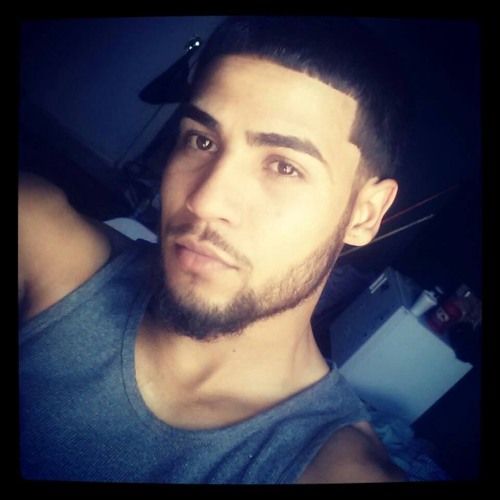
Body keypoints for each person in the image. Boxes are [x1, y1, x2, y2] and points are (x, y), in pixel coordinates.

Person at [18, 16, 411, 484]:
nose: (204, 202)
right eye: (201, 140)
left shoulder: (336, 470)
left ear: (364, 213)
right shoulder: (41, 242)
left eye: (284, 167)